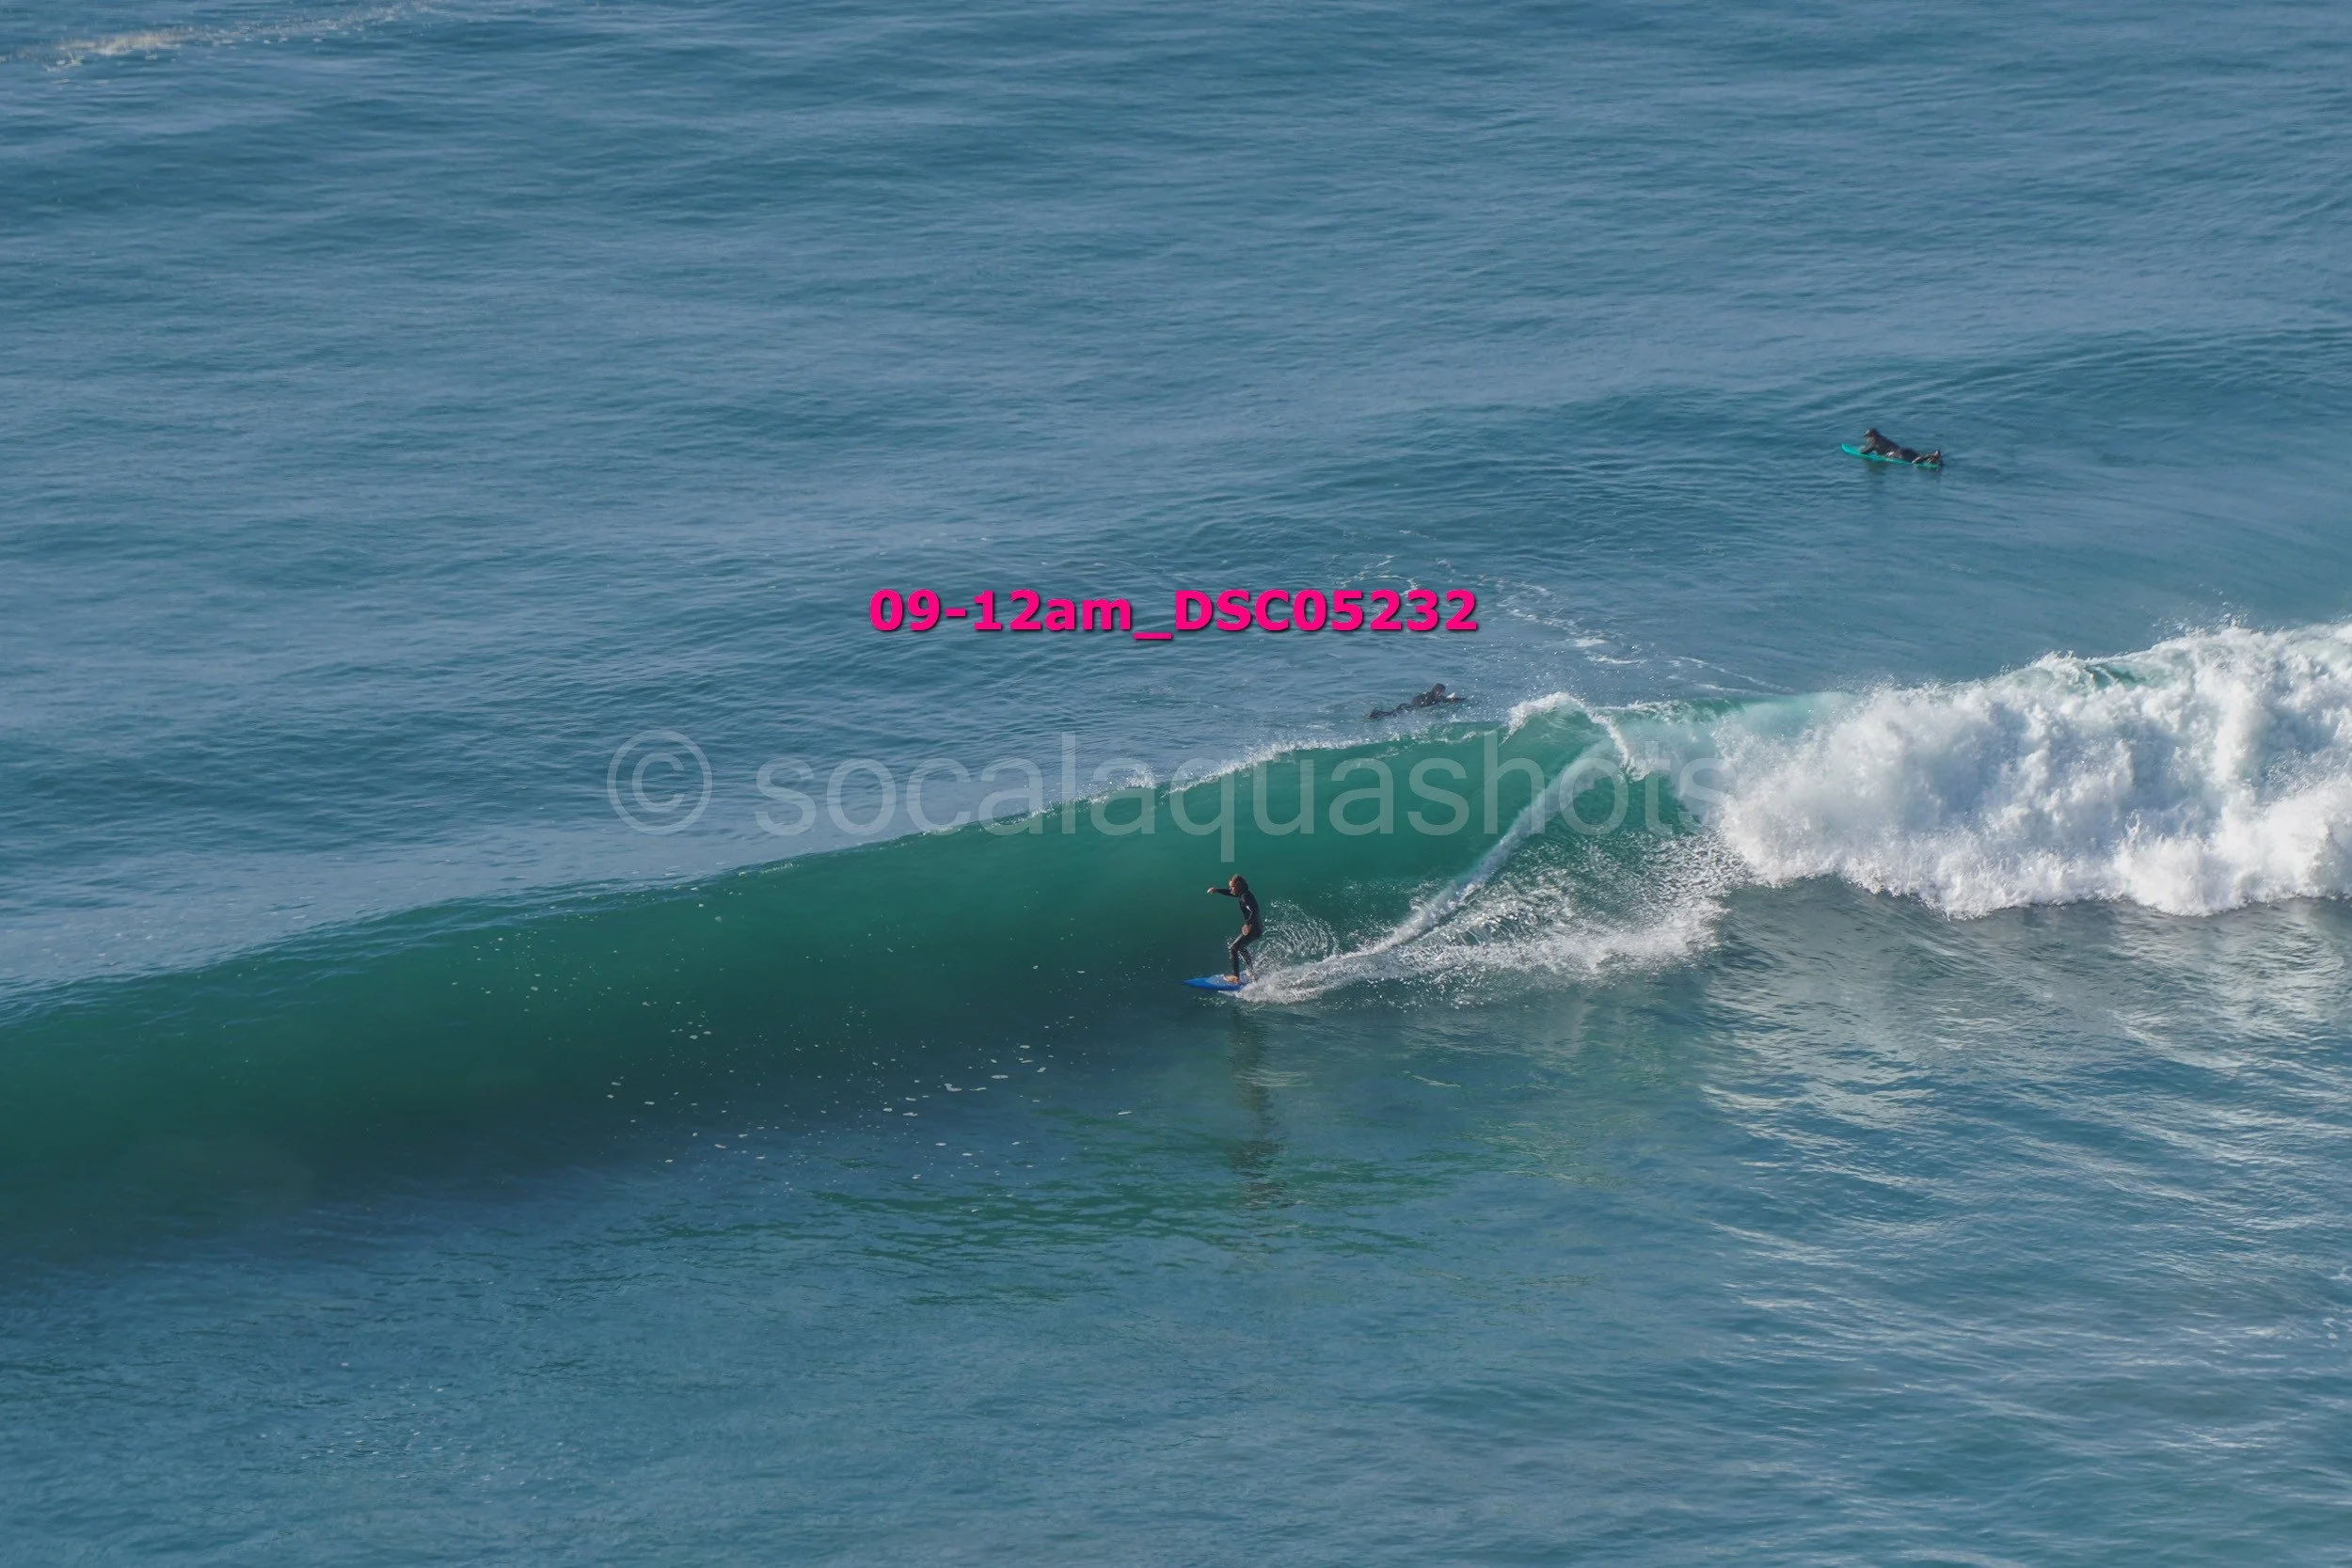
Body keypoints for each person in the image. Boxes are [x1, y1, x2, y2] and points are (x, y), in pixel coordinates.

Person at [1207, 874, 1263, 982]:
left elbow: (1254, 910)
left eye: (1231, 887)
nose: (1230, 889)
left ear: (1238, 886)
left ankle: (1236, 977)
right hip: (1257, 928)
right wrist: (1217, 890)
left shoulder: (1245, 896)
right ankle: (1251, 972)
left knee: (1233, 948)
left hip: (1253, 929)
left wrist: (1247, 924)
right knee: (1241, 947)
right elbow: (1231, 893)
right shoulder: (1244, 894)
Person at [1369, 683, 1467, 721]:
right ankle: (1377, 714)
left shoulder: (1428, 694)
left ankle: (1377, 714)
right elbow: (1443, 700)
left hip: (1406, 705)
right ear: (1439, 691)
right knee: (1393, 715)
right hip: (1411, 708)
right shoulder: (1435, 696)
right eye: (1442, 691)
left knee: (1392, 713)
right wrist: (1459, 700)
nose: (1442, 693)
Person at [1860, 428, 1942, 467]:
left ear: (1872, 436)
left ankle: (1929, 456)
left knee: (1914, 462)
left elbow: (1863, 452)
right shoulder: (1885, 439)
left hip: (1897, 455)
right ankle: (1934, 458)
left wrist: (1862, 449)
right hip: (1904, 450)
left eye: (1868, 436)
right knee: (1919, 457)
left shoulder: (1874, 442)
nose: (1867, 438)